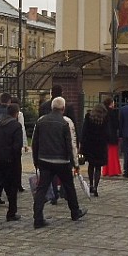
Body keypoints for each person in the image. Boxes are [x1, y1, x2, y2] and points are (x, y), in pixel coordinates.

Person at [31, 97, 87, 229]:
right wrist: (75, 164)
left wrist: (35, 161)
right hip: (62, 161)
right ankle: (75, 212)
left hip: (44, 159)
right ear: (63, 109)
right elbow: (71, 144)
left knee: (41, 189)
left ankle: (37, 218)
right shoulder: (66, 122)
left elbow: (35, 142)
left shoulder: (41, 121)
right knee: (69, 186)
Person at [79, 103, 109, 196]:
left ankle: (91, 184)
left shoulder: (88, 117)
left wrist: (82, 144)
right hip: (100, 145)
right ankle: (96, 186)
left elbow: (84, 131)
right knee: (98, 167)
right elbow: (107, 132)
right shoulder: (105, 119)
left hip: (89, 144)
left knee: (91, 166)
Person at [101, 95, 122, 177]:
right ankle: (113, 170)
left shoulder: (103, 112)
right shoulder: (113, 112)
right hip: (112, 135)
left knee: (107, 153)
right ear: (111, 103)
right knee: (113, 154)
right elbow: (116, 124)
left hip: (105, 135)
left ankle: (106, 170)